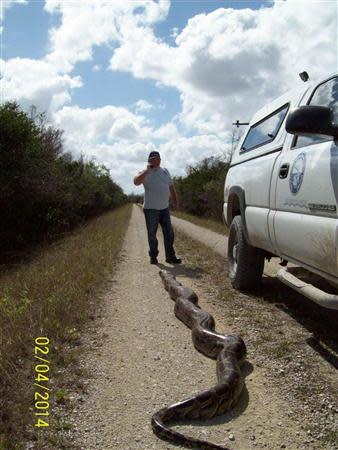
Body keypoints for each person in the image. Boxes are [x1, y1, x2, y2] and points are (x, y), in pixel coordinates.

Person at [133, 151, 182, 265]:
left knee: (169, 233)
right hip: (151, 209)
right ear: (149, 161)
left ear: (160, 160)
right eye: (153, 159)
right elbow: (136, 182)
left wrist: (175, 202)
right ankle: (153, 256)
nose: (155, 160)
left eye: (157, 158)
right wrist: (146, 171)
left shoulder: (165, 171)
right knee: (152, 234)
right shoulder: (145, 173)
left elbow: (171, 187)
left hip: (164, 208)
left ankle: (170, 256)